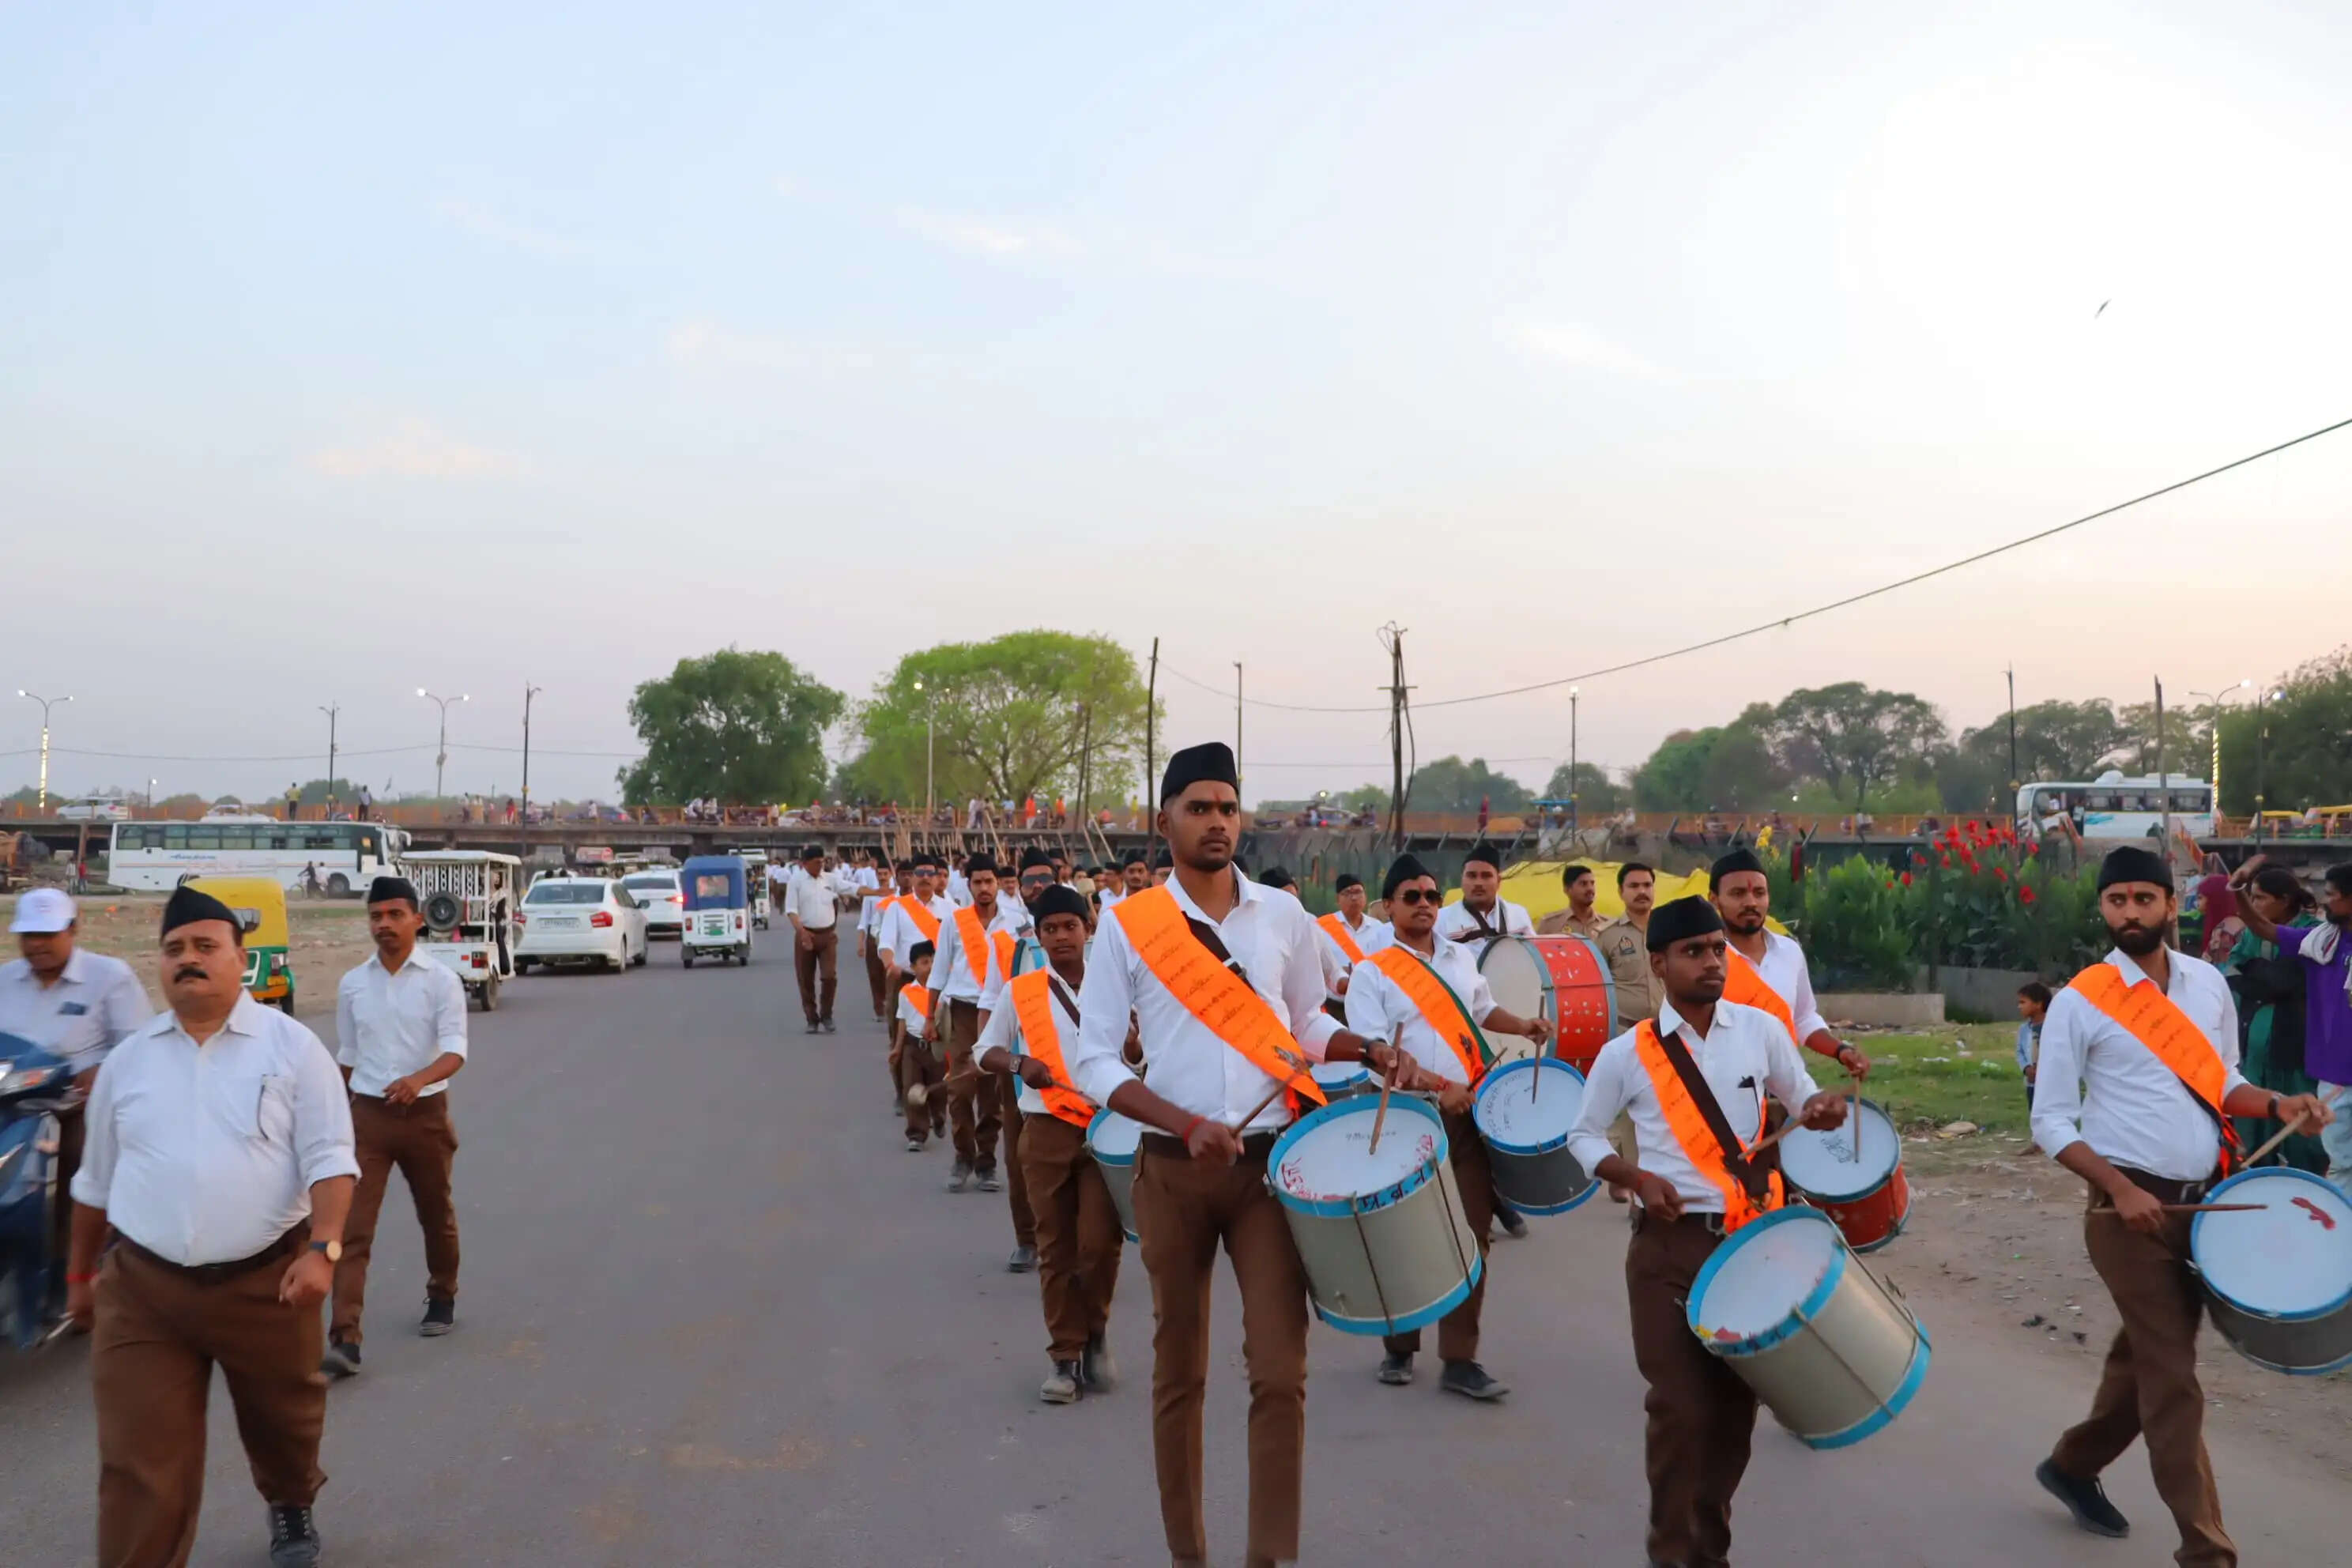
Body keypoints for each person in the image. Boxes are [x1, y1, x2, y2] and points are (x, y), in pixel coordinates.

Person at [1066, 742, 1419, 1568]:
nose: (1217, 820)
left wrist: (1365, 1048)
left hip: (1267, 1171)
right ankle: (1189, 1553)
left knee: (1279, 1373)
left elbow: (1301, 1026)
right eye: (1199, 807)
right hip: (1172, 1167)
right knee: (1180, 1374)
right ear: (1167, 821)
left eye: (1228, 805)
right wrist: (1183, 1121)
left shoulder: (1283, 917)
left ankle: (1271, 1558)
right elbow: (1093, 1061)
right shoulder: (1128, 924)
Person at [2028, 846, 2329, 1564]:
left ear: (2171, 903)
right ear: (2103, 910)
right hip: (2124, 1213)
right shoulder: (2081, 999)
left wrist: (2280, 1101)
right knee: (2173, 1382)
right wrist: (2123, 1189)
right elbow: (2050, 1121)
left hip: (2203, 1209)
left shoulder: (2206, 985)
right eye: (2117, 901)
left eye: (2144, 899)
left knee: (2147, 1363)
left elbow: (2224, 1082)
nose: (2130, 912)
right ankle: (2208, 1552)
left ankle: (2071, 1465)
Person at [68, 886, 360, 1567]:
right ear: (159, 965)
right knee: (141, 1466)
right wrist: (80, 1274)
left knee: (284, 1424)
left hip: (268, 1281)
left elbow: (330, 1159)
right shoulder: (128, 1062)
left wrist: (323, 1249)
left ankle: (291, 1501)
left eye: (205, 947)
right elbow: (93, 1184)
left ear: (241, 960)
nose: (188, 961)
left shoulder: (293, 1049)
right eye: (174, 950)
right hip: (145, 1293)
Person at [1561, 895, 1851, 1568]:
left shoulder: (1759, 1030)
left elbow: (1799, 1091)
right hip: (1670, 1250)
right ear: (1659, 963)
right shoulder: (1625, 1053)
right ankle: (1671, 1553)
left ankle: (1707, 1552)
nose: (1713, 961)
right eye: (1695, 951)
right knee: (1680, 1411)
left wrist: (1820, 1107)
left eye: (1718, 949)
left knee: (1730, 1420)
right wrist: (1633, 1178)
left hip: (1754, 1246)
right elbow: (1580, 1132)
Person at [1345, 853, 1550, 1400]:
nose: (1425, 905)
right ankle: (1398, 1344)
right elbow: (1376, 1053)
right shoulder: (1372, 971)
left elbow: (1483, 1012)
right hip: (1406, 1116)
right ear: (1389, 906)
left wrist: (1525, 1025)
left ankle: (1460, 1358)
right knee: (1405, 1234)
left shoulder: (1460, 958)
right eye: (1411, 897)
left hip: (1469, 1117)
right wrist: (1439, 1087)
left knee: (1473, 1235)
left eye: (1433, 896)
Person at [974, 884, 1123, 1401]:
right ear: (1037, 936)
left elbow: (1151, 1050)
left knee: (1100, 1247)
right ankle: (1063, 1358)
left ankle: (1096, 1332)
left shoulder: (1118, 985)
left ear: (1089, 929)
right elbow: (983, 1051)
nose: (1062, 936)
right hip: (1046, 1131)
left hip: (1108, 1130)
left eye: (1071, 926)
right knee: (1056, 1249)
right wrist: (1021, 1065)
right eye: (1051, 929)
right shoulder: (1022, 990)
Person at [323, 876, 468, 1378]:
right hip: (367, 1118)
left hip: (425, 1115)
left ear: (417, 919)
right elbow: (347, 1055)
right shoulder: (353, 984)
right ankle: (345, 1337)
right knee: (352, 1228)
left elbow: (454, 1051)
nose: (383, 924)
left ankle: (442, 1294)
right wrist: (330, 1112)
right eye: (376, 916)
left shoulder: (440, 981)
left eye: (393, 915)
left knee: (436, 1214)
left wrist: (417, 1081)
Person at [2, 887, 150, 1311]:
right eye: (28, 935)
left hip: (79, 1102)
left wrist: (101, 1072)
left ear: (73, 929)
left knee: (80, 1155)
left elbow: (139, 1044)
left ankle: (71, 1263)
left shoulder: (110, 977)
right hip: (13, 1098)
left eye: (47, 934)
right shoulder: (5, 979)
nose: (37, 945)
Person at [2230, 857, 2352, 1185]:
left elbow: (2276, 980)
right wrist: (2239, 891)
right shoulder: (2322, 942)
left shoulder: (2316, 936)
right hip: (2336, 1076)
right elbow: (2262, 929)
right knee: (2340, 1166)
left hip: (2312, 1064)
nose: (2326, 901)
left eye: (2333, 895)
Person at [1706, 847, 1871, 1080]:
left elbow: (1803, 1019)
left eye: (1760, 893)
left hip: (1784, 1088)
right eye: (1738, 893)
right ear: (1714, 900)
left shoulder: (1789, 952)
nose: (1751, 902)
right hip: (1722, 1090)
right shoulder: (1704, 958)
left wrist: (1841, 1051)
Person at [924, 854, 1030, 1195]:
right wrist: (929, 1017)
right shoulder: (955, 922)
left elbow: (1029, 966)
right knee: (960, 1090)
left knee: (991, 1094)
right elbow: (939, 973)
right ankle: (962, 1156)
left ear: (998, 883)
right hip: (964, 1013)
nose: (984, 888)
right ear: (968, 885)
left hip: (1003, 1015)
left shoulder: (1017, 921)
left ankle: (986, 1162)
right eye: (977, 882)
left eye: (989, 881)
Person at [2218, 862, 2326, 1169]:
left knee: (2301, 1132)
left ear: (2284, 900)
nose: (2254, 906)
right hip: (2254, 1045)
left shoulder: (2312, 933)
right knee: (2253, 1125)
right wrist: (2268, 980)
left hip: (2296, 1047)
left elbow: (2291, 979)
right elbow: (2235, 971)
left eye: (2260, 898)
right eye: (2250, 898)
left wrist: (2261, 977)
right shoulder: (2251, 935)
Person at [1592, 862, 1660, 1201]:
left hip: (1665, 1030)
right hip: (1624, 1030)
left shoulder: (1667, 928)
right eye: (1634, 885)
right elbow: (1597, 985)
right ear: (1621, 892)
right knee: (1627, 1100)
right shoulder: (1607, 936)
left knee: (1657, 1102)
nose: (1642, 891)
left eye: (1647, 884)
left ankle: (1629, 1171)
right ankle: (1629, 1177)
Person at [783, 843, 841, 1034]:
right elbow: (791, 910)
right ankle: (812, 1018)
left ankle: (827, 1014)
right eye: (817, 863)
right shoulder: (796, 882)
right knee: (805, 979)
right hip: (804, 934)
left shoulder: (830, 879)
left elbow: (854, 889)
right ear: (805, 863)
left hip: (827, 936)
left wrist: (879, 893)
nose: (820, 866)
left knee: (829, 976)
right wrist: (802, 931)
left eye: (822, 862)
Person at [1312, 872, 1389, 1004]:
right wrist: (1337, 973)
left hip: (1370, 1002)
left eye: (1358, 892)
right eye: (1347, 893)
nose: (1354, 898)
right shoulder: (1322, 928)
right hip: (1334, 1005)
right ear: (1337, 899)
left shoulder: (1379, 929)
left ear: (1365, 896)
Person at [1434, 842, 1533, 944]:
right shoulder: (1441, 920)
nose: (1478, 883)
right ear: (1462, 880)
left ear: (1498, 881)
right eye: (1472, 876)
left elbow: (1533, 955)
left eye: (1486, 876)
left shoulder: (1518, 915)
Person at [894, 943, 942, 1151]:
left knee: (938, 1089)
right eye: (924, 963)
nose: (930, 966)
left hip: (937, 1048)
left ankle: (939, 1117)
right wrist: (897, 1047)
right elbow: (902, 1021)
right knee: (912, 1089)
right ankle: (916, 1133)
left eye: (932, 961)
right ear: (913, 967)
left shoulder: (944, 992)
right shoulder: (906, 992)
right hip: (913, 1047)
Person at [859, 859, 911, 1027]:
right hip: (883, 945)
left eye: (911, 875)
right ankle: (883, 1010)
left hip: (908, 952)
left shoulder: (920, 901)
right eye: (904, 875)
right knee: (879, 979)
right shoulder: (879, 899)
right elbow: (870, 924)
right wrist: (881, 939)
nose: (907, 879)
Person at [1536, 862, 1606, 938]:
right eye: (1583, 884)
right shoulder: (1550, 924)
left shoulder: (1608, 925)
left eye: (1592, 883)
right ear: (1567, 889)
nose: (1590, 888)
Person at [2016, 981, 2052, 1112]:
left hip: (2050, 1084)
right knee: (2035, 1116)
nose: (2019, 1007)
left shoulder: (2053, 1027)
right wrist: (2026, 1068)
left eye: (2023, 1002)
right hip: (2032, 1084)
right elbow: (2019, 1051)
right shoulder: (2024, 1029)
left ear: (2038, 1004)